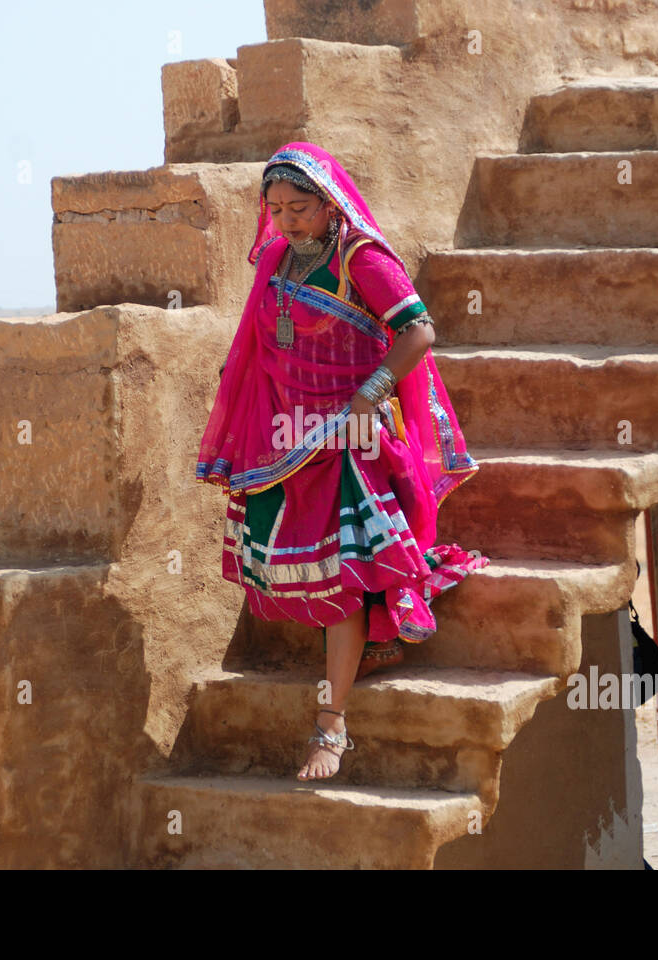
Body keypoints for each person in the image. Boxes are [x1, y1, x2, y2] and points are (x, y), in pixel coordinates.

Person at [195, 142, 488, 781]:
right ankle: (367, 650)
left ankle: (331, 727)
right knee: (298, 563)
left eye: (299, 208)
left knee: (343, 577)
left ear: (330, 203)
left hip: (351, 435)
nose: (286, 221)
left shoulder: (362, 258)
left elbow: (418, 332)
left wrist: (367, 397)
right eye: (275, 210)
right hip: (285, 435)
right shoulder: (275, 258)